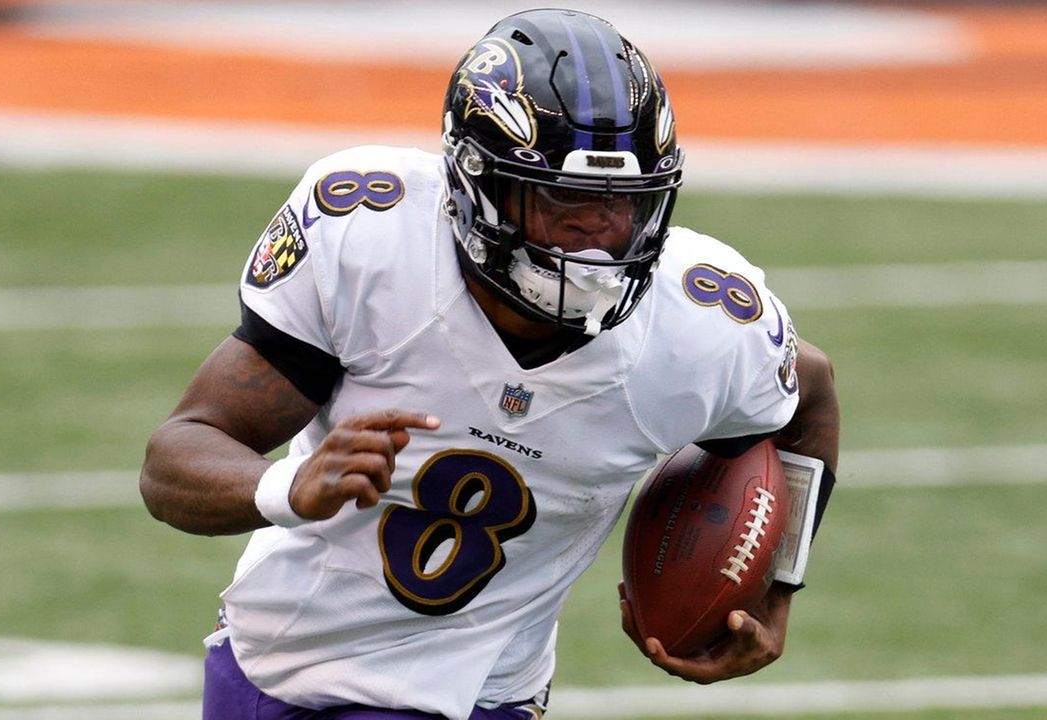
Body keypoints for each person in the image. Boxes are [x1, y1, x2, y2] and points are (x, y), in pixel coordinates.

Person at [140, 8, 840, 720]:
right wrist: (289, 486)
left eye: (625, 203)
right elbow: (173, 462)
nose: (598, 233)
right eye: (565, 197)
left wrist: (776, 585)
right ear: (478, 185)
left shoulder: (703, 325)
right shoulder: (370, 234)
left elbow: (809, 396)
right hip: (274, 669)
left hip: (480, 696)